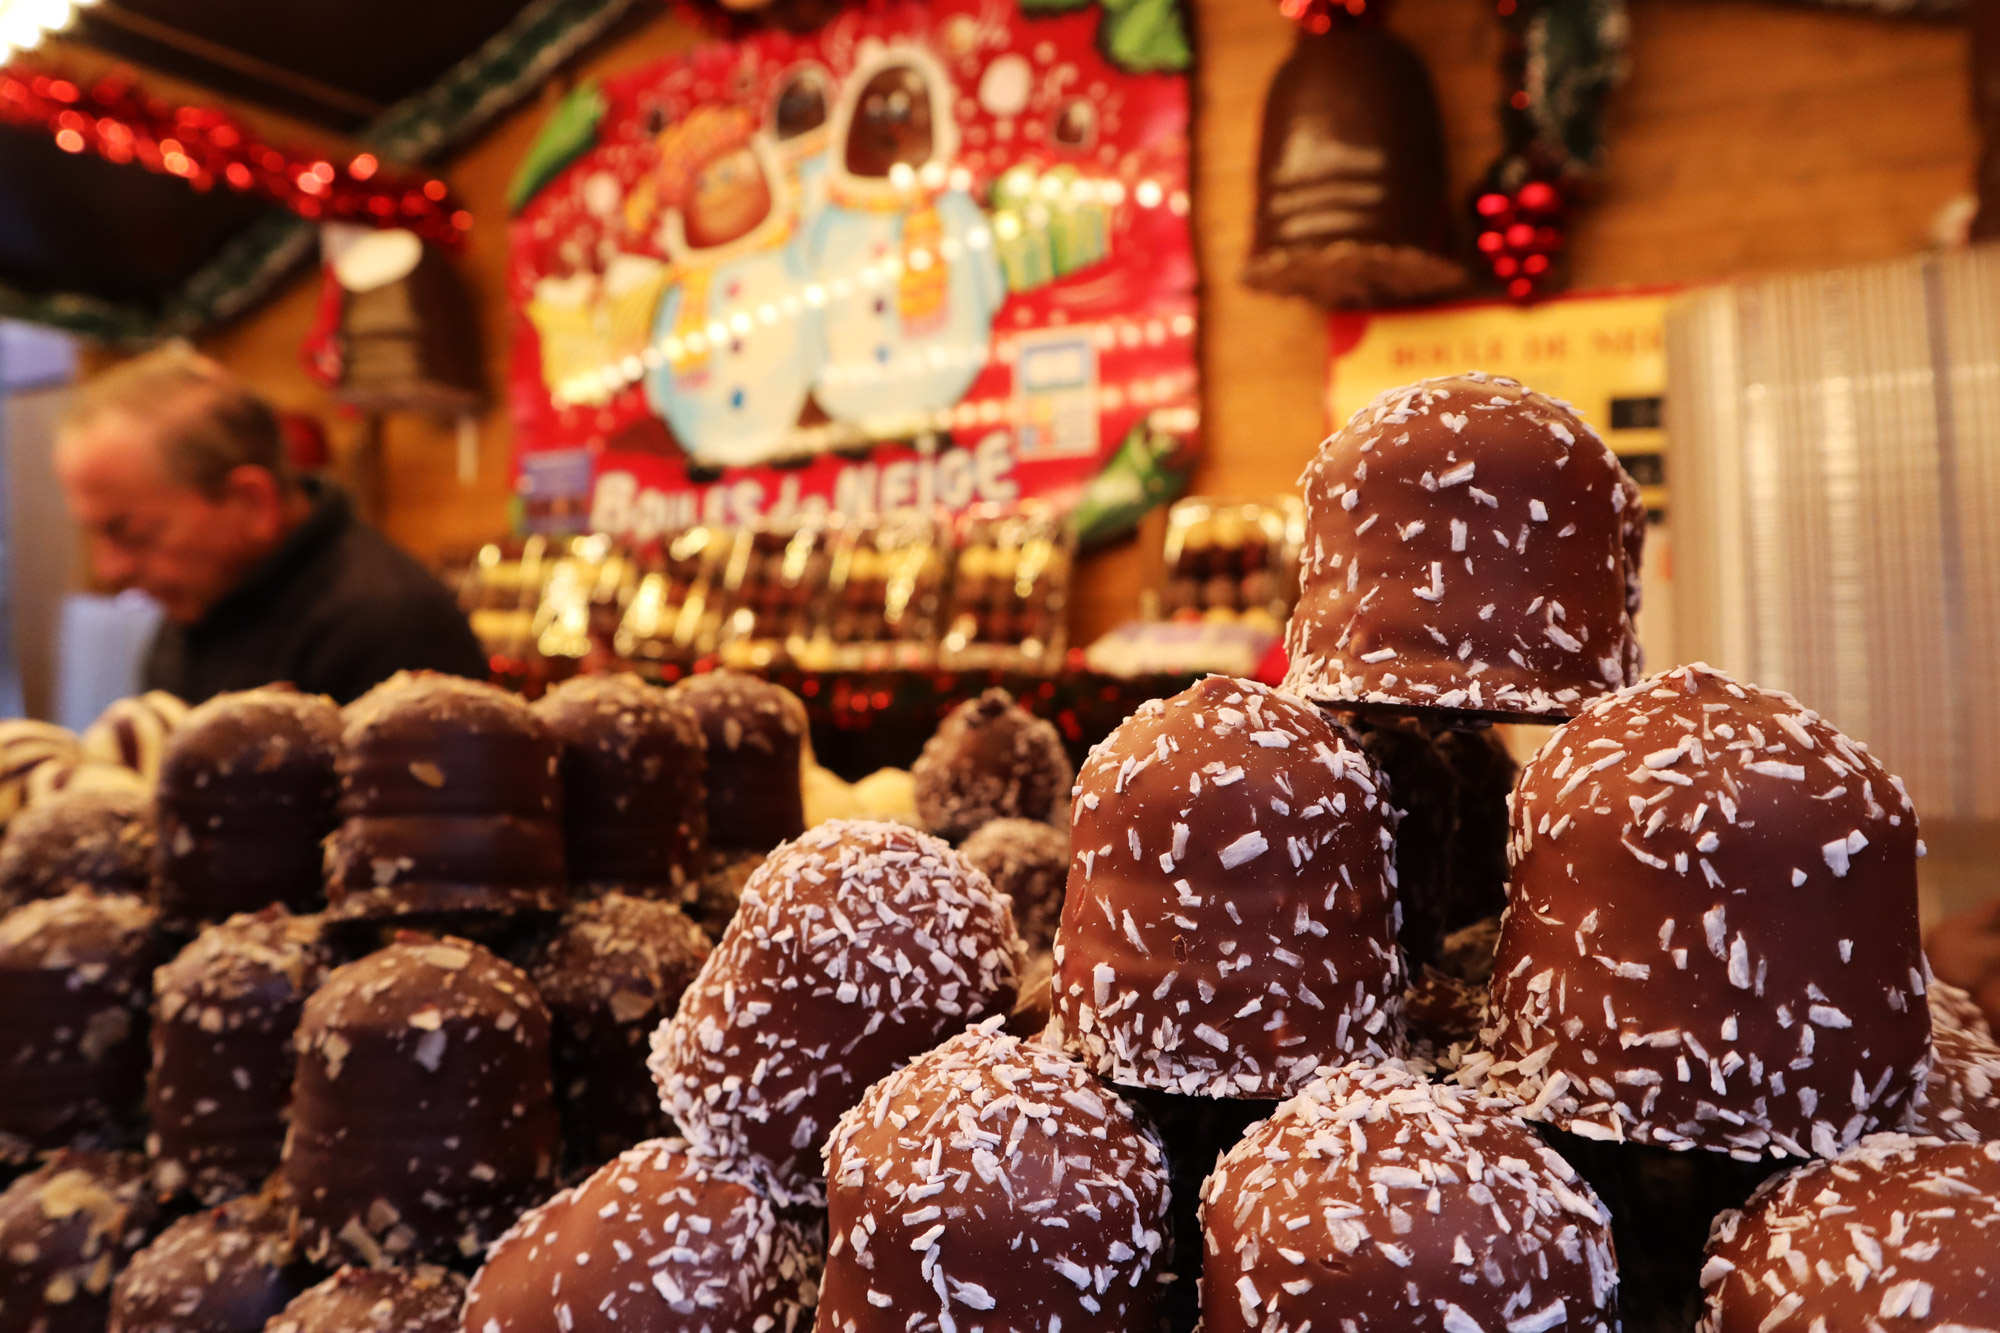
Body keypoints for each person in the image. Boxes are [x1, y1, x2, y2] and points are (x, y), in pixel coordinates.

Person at [53, 344, 488, 705]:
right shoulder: (203, 599)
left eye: (131, 533)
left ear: (252, 501)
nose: (109, 568)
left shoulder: (393, 628)